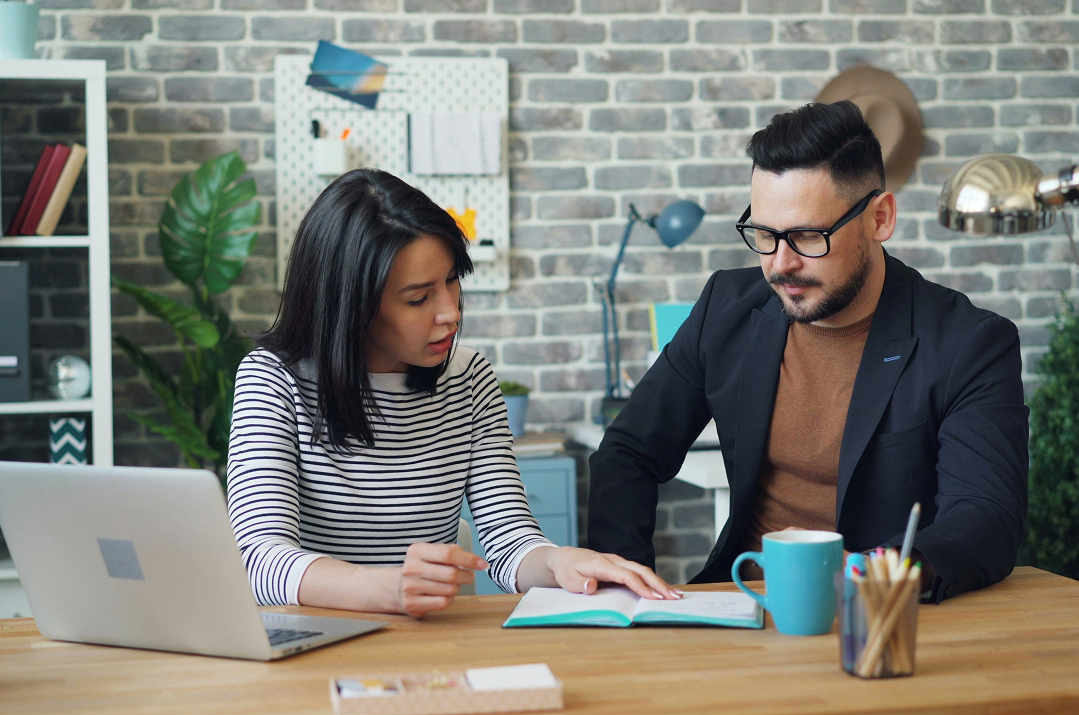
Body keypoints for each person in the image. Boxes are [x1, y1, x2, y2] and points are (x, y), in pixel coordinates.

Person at [587, 101, 1029, 604]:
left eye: (806, 236)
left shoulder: (968, 344)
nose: (780, 264)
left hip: (877, 617)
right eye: (765, 234)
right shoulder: (725, 309)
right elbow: (629, 452)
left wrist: (874, 573)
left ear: (880, 218)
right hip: (740, 603)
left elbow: (985, 517)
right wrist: (626, 590)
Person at [228, 168, 679, 618]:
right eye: (418, 299)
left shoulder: (469, 379)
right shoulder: (272, 379)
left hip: (430, 652)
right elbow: (258, 558)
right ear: (352, 306)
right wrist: (385, 589)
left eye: (451, 280)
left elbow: (510, 543)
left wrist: (559, 560)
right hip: (308, 647)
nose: (450, 313)